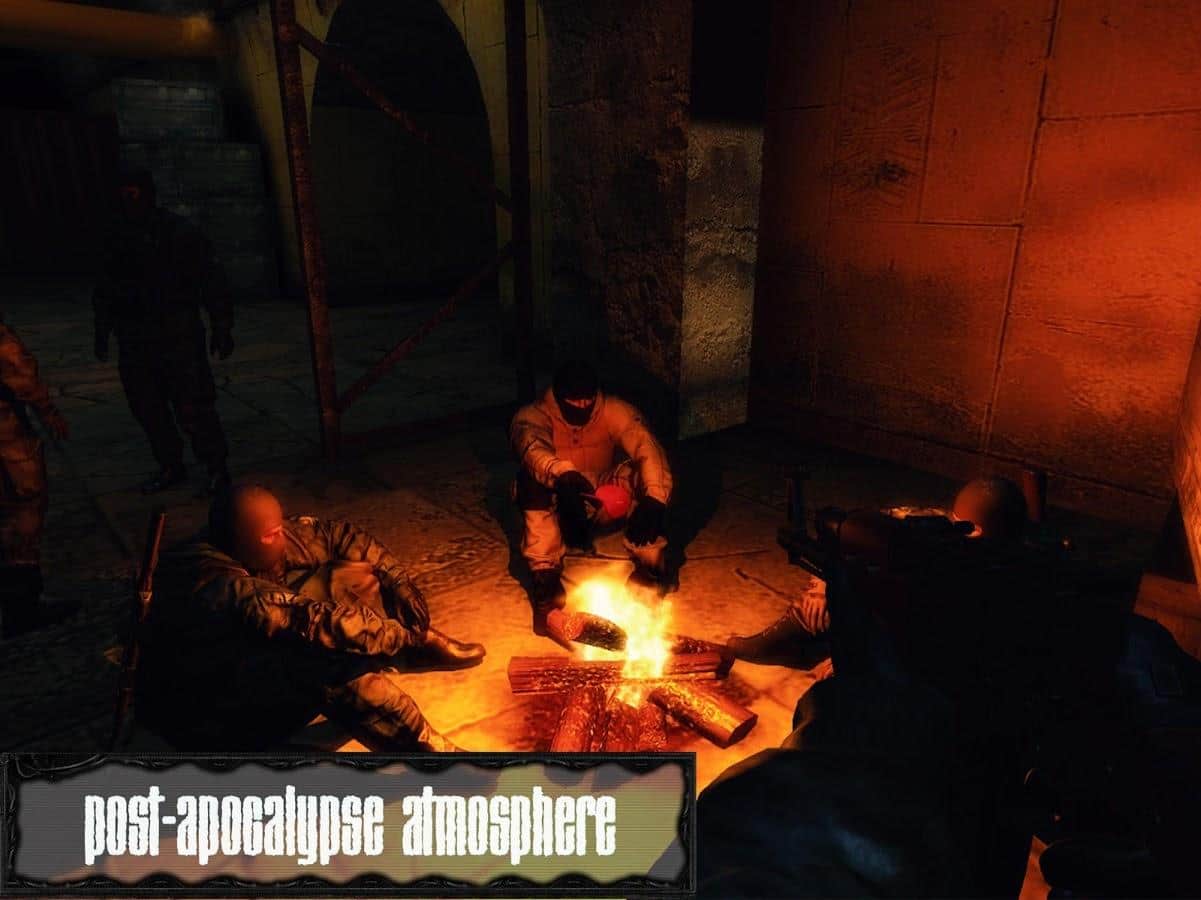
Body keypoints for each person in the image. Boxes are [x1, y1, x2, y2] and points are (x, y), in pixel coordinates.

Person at [135, 484, 485, 752]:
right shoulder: (214, 583)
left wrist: (397, 579)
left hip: (244, 660)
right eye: (272, 535)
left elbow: (337, 537)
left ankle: (412, 648)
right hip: (215, 713)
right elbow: (310, 622)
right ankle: (424, 750)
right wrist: (399, 636)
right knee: (322, 659)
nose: (282, 538)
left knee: (351, 577)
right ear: (241, 538)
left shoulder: (245, 540)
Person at [727, 476, 1028, 666]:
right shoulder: (930, 526)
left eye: (966, 530)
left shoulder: (1003, 574)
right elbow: (858, 534)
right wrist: (821, 586)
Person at [93, 168, 233, 495]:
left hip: (177, 334)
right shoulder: (116, 237)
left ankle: (216, 467)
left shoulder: (178, 233)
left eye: (134, 194)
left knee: (193, 405)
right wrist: (102, 329)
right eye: (123, 195)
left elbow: (211, 280)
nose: (128, 202)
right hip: (134, 337)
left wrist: (221, 326)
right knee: (148, 407)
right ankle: (171, 465)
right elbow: (104, 288)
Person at [509, 360, 673, 634]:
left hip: (601, 493)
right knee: (530, 482)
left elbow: (646, 444)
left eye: (588, 399)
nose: (583, 406)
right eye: (574, 400)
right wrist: (562, 476)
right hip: (559, 494)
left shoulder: (613, 410)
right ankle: (545, 583)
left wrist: (655, 497)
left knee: (644, 478)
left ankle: (649, 572)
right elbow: (532, 447)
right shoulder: (533, 415)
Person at [0, 316, 73, 639]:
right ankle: (22, 607)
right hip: (6, 437)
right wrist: (48, 411)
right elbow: (16, 368)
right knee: (23, 512)